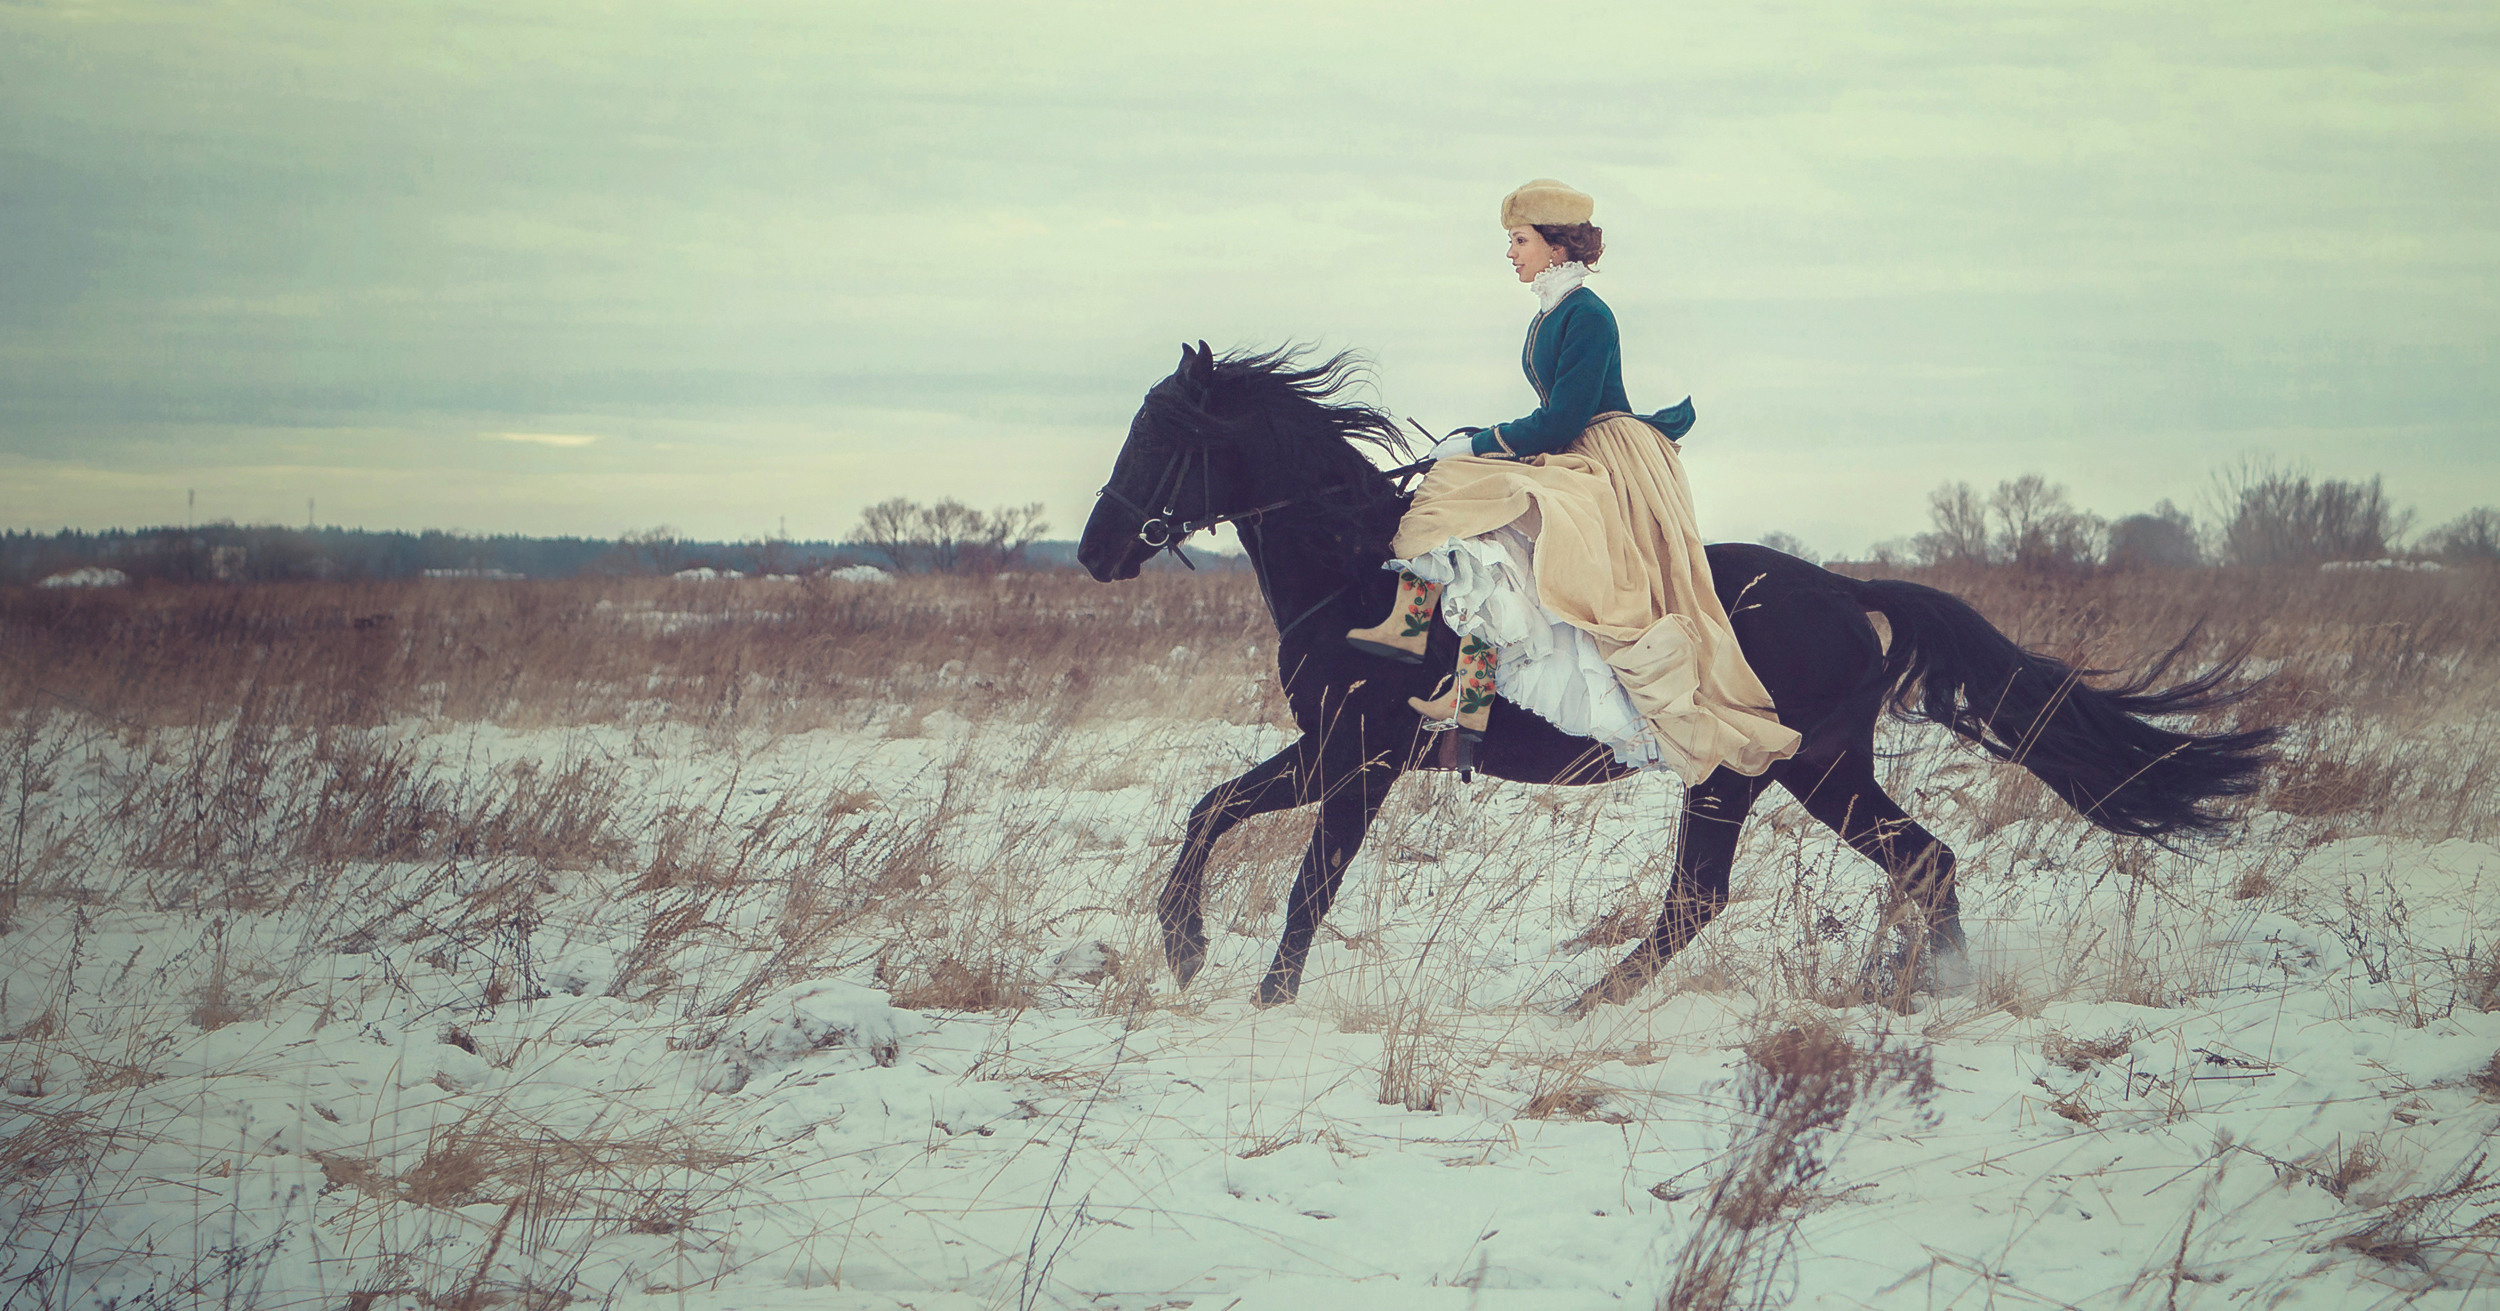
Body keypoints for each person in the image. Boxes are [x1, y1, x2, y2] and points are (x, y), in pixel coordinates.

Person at [1344, 179, 1800, 784]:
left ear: (1556, 246)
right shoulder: (1552, 311)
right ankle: (1457, 686)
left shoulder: (1587, 314)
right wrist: (1485, 441)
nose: (1511, 253)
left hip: (1604, 456)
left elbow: (1563, 417)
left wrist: (1479, 444)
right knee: (1475, 523)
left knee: (1464, 496)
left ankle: (1436, 658)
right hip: (1573, 446)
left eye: (1519, 240)